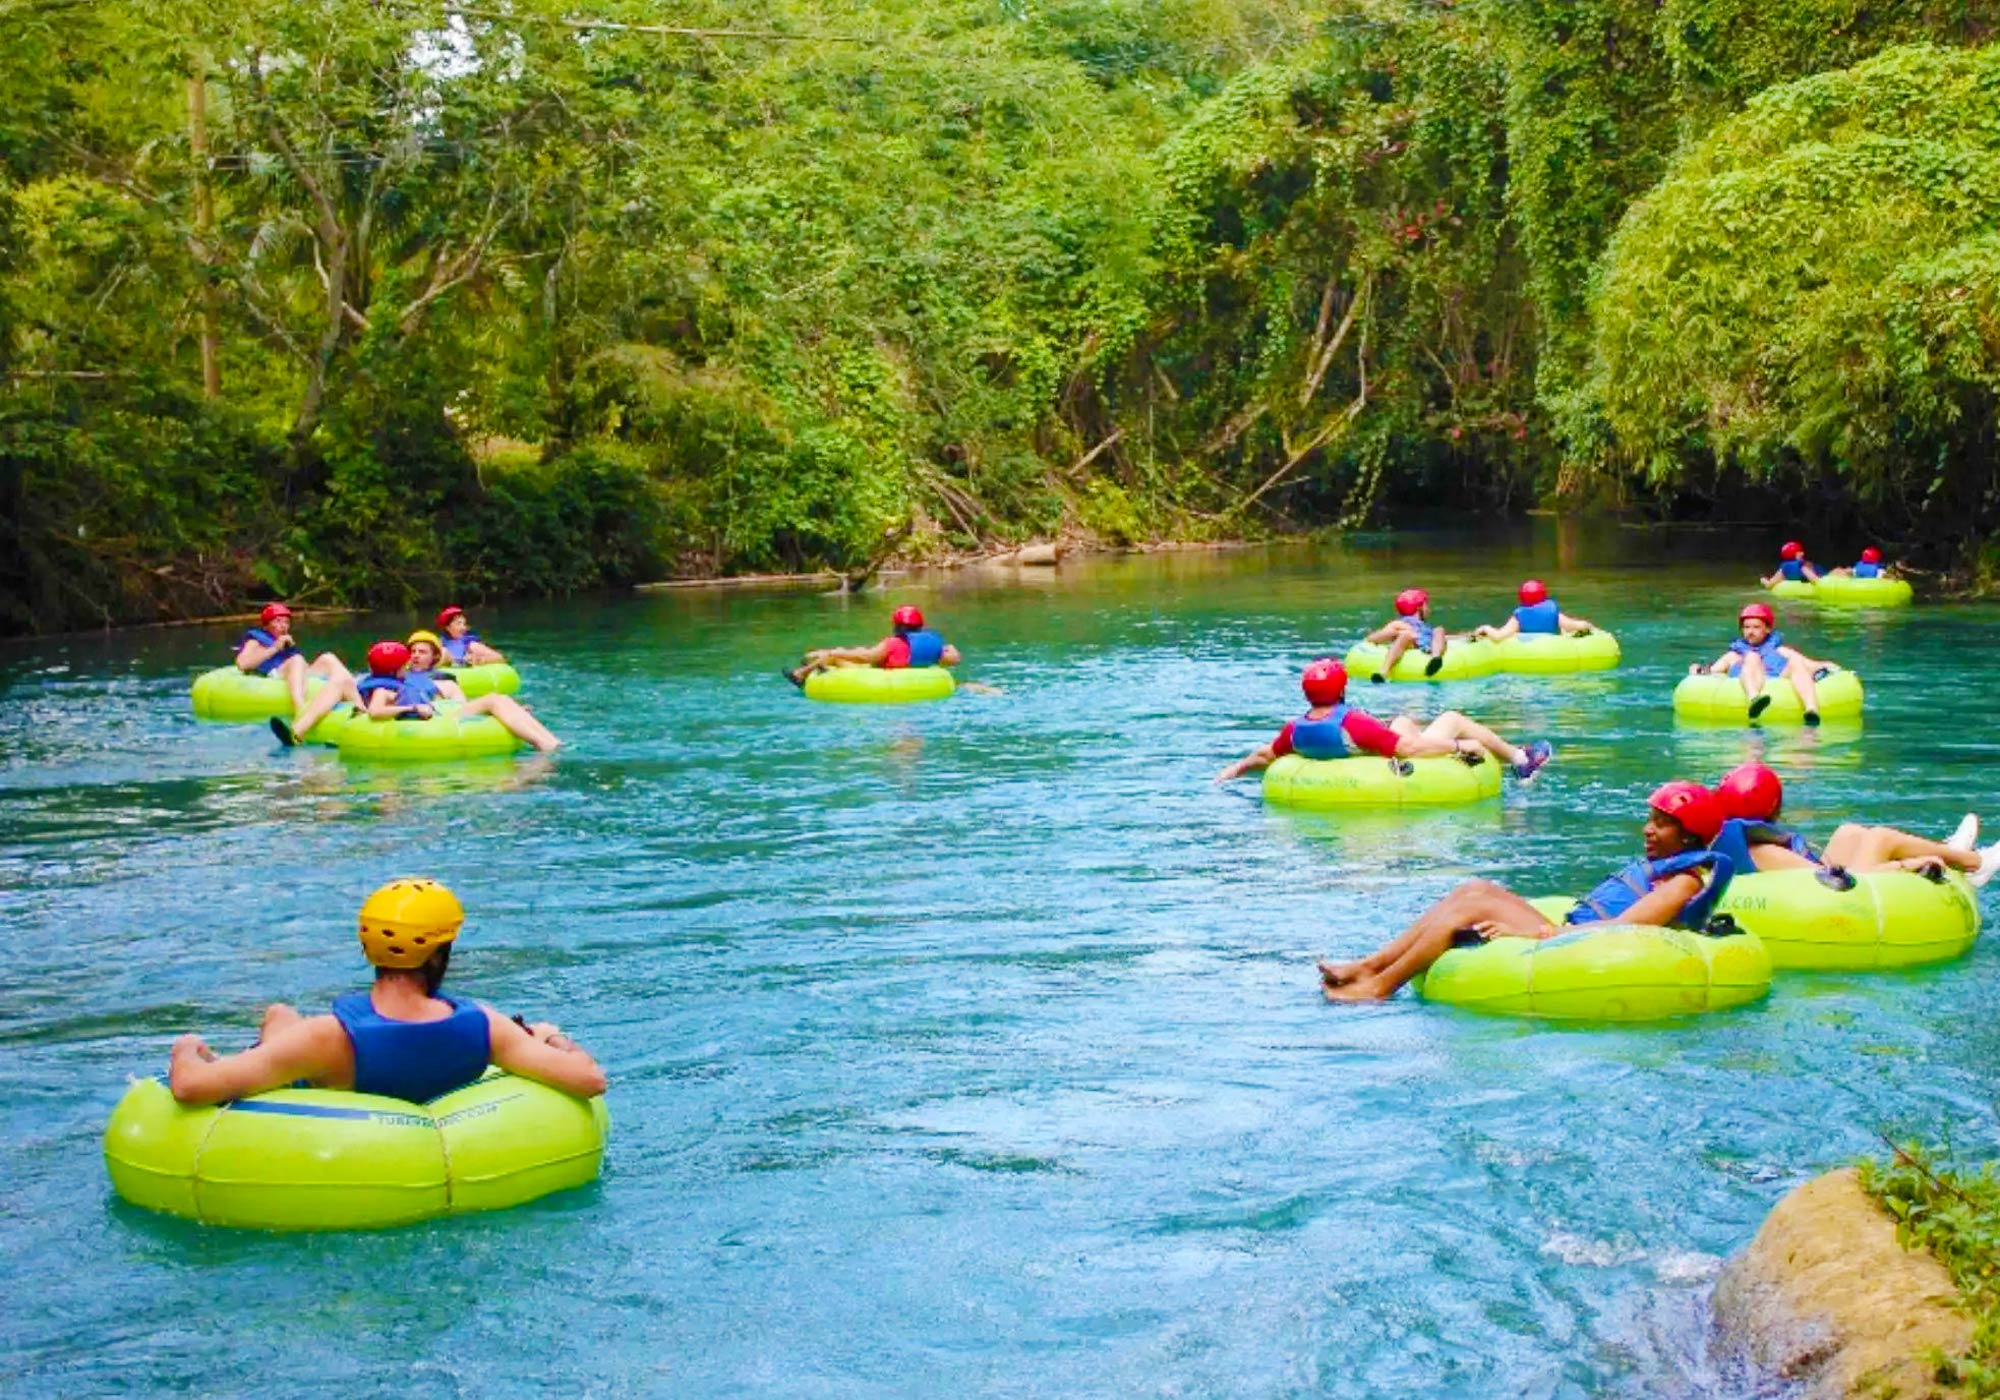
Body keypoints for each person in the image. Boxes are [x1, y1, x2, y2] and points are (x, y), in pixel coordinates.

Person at [166, 879, 606, 1106]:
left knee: (279, 1015)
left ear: (367, 948)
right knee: (281, 1016)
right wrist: (549, 1036)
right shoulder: (486, 1027)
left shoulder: (327, 1037)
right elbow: (590, 1079)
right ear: (439, 954)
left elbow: (189, 1087)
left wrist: (186, 1047)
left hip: (322, 1084)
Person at [1317, 781, 1732, 1002]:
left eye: (1661, 824)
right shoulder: (1667, 870)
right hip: (1573, 930)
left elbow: (1622, 929)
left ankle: (1381, 987)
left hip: (1582, 944)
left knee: (1473, 904)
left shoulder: (1683, 883)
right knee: (1473, 889)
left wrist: (1535, 934)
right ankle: (1370, 965)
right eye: (1650, 819)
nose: (1647, 829)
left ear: (1688, 835)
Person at [1216, 659, 1554, 783]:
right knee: (1451, 718)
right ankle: (1521, 760)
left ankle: (1518, 758)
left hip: (1353, 761)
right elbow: (1409, 749)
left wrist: (1234, 769)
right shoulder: (1354, 723)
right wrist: (1459, 745)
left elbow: (1265, 755)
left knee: (1402, 720)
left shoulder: (1295, 730)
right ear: (1341, 689)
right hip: (1382, 766)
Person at [1709, 762, 2000, 886]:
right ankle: (1973, 864)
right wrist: (1904, 866)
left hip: (1820, 880)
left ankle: (1951, 851)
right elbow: (1833, 882)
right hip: (1838, 892)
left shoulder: (1745, 842)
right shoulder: (1764, 852)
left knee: (1848, 833)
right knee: (1880, 838)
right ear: (1773, 806)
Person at [272, 640, 561, 752]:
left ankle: (548, 742)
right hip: (409, 713)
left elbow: (456, 706)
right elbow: (376, 704)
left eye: (422, 653)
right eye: (411, 653)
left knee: (500, 700)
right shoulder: (389, 682)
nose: (414, 658)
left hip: (435, 711)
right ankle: (297, 730)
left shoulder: (442, 679)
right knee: (339, 680)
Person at [1689, 601, 1835, 723]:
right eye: (1746, 627)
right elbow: (1711, 672)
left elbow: (1808, 664)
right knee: (1752, 656)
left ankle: (1811, 709)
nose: (1750, 632)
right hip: (1749, 680)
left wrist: (1827, 666)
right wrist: (1697, 669)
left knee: (1796, 662)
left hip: (1775, 678)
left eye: (1756, 627)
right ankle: (1754, 699)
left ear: (1767, 629)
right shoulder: (1733, 656)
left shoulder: (1780, 650)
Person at [788, 605, 961, 685]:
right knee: (857, 650)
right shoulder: (933, 645)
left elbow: (866, 657)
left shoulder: (893, 644)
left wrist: (834, 652)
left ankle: (801, 673)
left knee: (837, 655)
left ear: (897, 626)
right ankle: (818, 659)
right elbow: (955, 658)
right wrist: (947, 648)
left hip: (881, 676)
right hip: (916, 676)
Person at [233, 603, 352, 710]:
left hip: (296, 672)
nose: (283, 626)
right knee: (297, 660)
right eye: (278, 621)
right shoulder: (255, 641)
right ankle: (300, 708)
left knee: (328, 658)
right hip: (273, 673)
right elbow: (242, 664)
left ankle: (354, 697)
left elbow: (302, 666)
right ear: (266, 626)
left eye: (286, 622)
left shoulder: (286, 641)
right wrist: (274, 648)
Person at [1472, 579, 1600, 642]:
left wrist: (1485, 629)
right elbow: (1576, 626)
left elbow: (1499, 636)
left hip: (1526, 652)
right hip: (1553, 649)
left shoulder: (1519, 616)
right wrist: (1590, 627)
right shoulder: (1552, 612)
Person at [435, 605, 506, 665]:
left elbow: (500, 658)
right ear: (448, 628)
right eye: (458, 624)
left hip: (466, 668)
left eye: (464, 624)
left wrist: (479, 660)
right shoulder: (441, 643)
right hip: (447, 666)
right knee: (443, 652)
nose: (463, 627)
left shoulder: (470, 643)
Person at [1823, 546, 1894, 580]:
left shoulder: (1858, 568)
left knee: (1840, 570)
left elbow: (1849, 571)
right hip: (1873, 583)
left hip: (1857, 580)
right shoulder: (1879, 571)